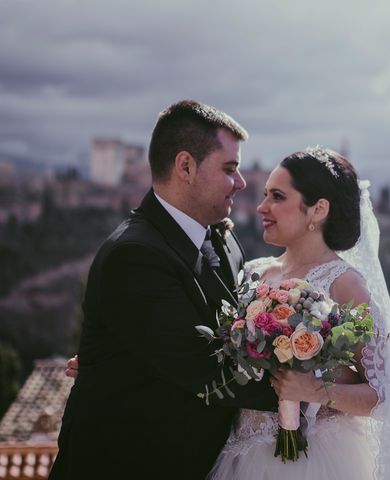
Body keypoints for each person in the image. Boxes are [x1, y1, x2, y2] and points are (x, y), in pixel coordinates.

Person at [50, 100, 277, 480]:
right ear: (185, 166)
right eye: (229, 169)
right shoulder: (133, 257)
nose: (240, 183)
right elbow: (207, 371)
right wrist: (312, 386)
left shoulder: (223, 238)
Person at [208, 147, 390, 479]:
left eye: (277, 196)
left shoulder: (345, 286)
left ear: (317, 210)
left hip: (315, 462)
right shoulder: (255, 273)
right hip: (242, 456)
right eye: (265, 194)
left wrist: (314, 392)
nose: (261, 207)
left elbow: (385, 395)